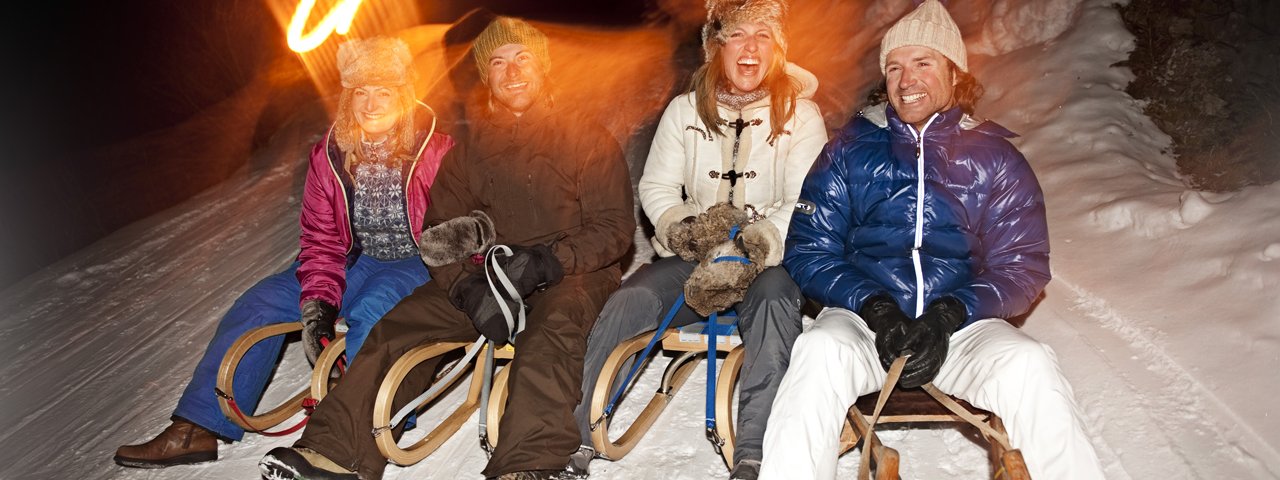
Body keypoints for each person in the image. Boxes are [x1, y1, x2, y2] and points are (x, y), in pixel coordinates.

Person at [259, 17, 635, 480]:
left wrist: (545, 262)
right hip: (489, 275)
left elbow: (615, 228)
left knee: (548, 337)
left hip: (571, 271)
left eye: (523, 59)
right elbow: (438, 231)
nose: (512, 71)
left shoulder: (586, 136)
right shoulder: (472, 147)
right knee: (396, 326)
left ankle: (527, 463)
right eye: (498, 63)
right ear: (486, 75)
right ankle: (334, 451)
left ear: (543, 67)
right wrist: (467, 289)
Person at [758, 2, 1104, 479]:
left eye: (923, 63)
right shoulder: (848, 150)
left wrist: (950, 313)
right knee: (818, 352)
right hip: (866, 325)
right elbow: (809, 249)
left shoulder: (996, 158)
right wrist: (874, 304)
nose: (906, 80)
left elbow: (1022, 265)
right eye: (895, 67)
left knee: (1029, 363)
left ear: (954, 73)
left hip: (959, 329)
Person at [112, 37, 452, 469]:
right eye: (360, 92)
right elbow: (322, 238)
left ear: (403, 95)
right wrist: (318, 305)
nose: (371, 104)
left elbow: (459, 223)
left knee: (375, 310)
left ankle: (357, 432)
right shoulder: (329, 156)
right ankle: (196, 426)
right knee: (260, 302)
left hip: (414, 261)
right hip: (355, 256)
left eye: (383, 91)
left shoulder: (438, 151)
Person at [567, 1, 826, 478]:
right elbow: (658, 188)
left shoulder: (801, 114)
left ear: (778, 49)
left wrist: (755, 241)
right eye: (737, 34)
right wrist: (690, 232)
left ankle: (754, 449)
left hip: (767, 260)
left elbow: (803, 200)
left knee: (773, 305)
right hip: (699, 253)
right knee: (634, 296)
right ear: (716, 46)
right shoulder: (685, 110)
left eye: (763, 35)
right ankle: (579, 433)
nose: (750, 47)